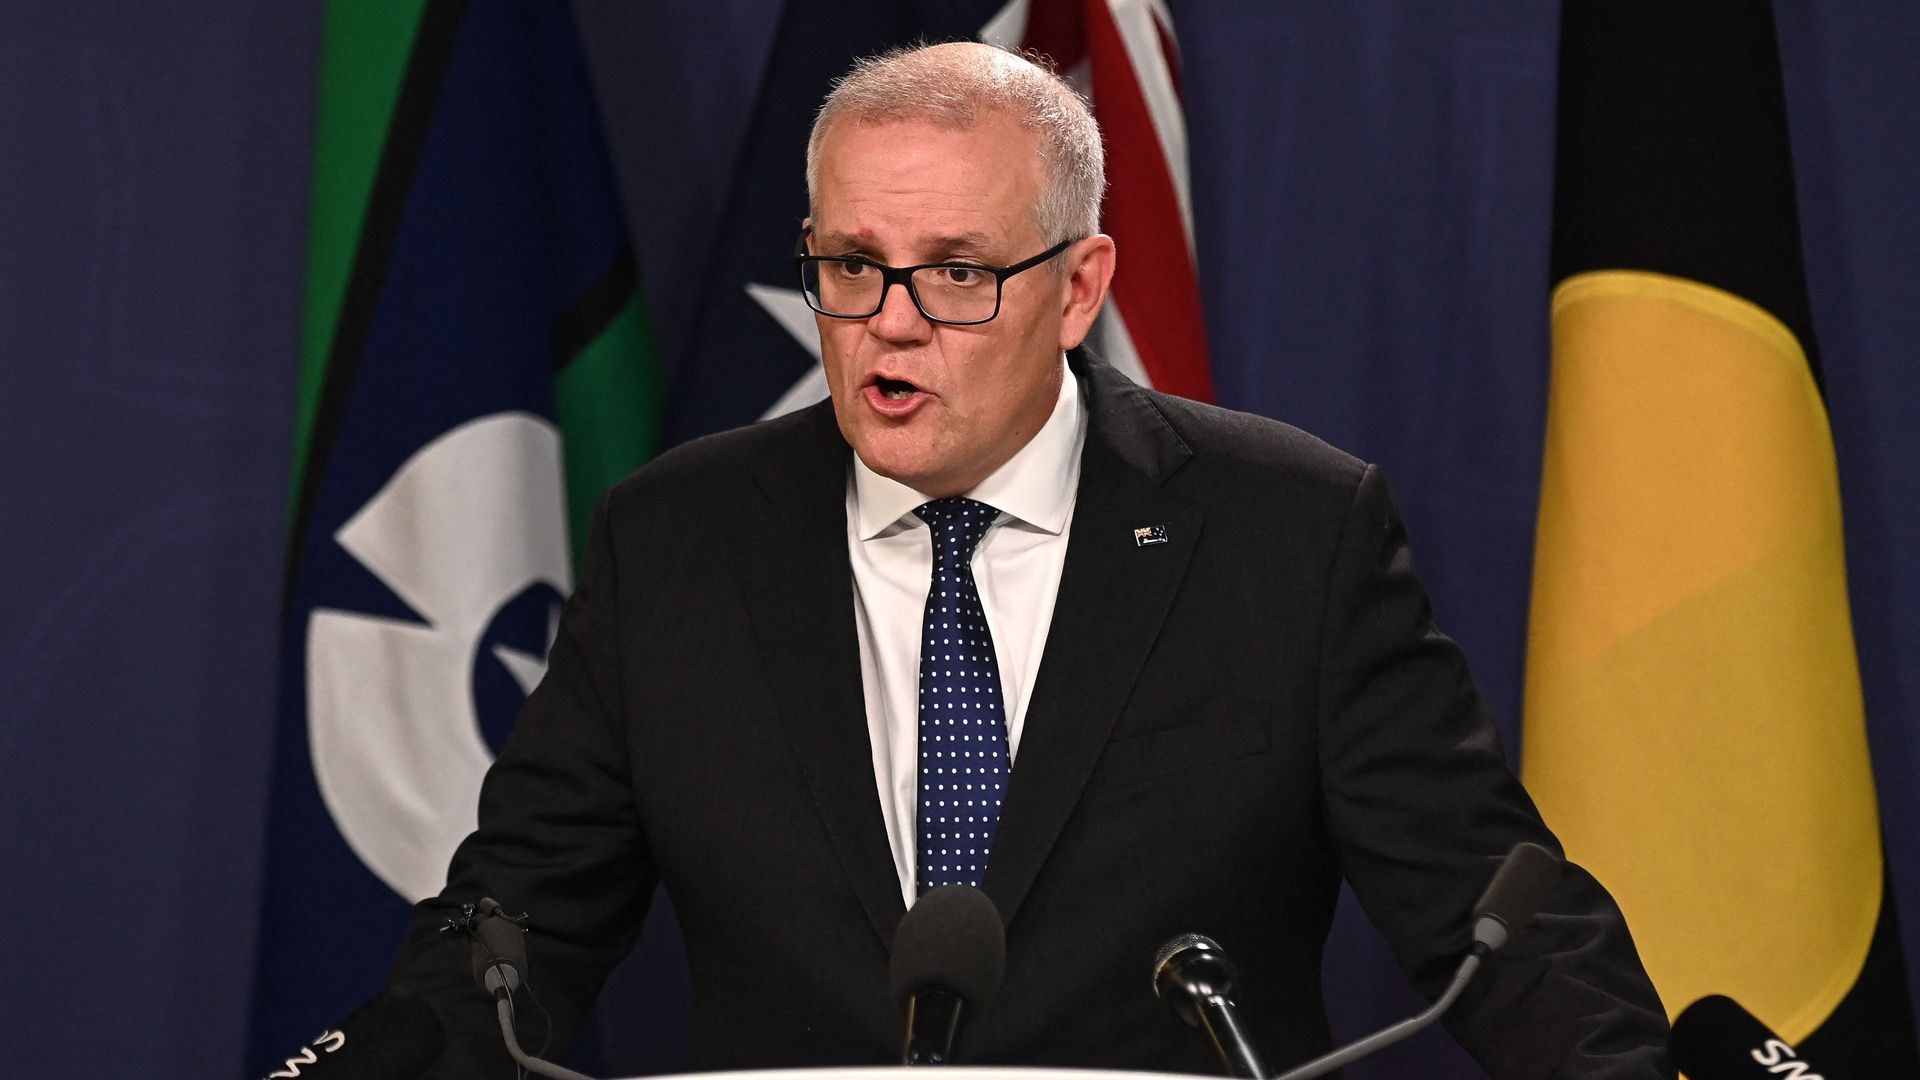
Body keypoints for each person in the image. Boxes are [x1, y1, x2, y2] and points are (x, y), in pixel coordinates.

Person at [383, 41, 1672, 1077]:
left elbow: (1488, 922)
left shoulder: (1287, 534)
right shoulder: (679, 542)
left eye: (955, 274)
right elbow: (517, 926)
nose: (890, 325)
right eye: (851, 267)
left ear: (1081, 285)